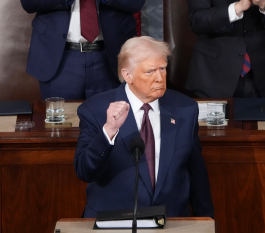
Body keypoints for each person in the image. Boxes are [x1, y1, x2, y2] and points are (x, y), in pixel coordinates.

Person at [74, 36, 214, 218]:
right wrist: (108, 130)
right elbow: (85, 171)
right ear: (127, 75)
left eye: (162, 69)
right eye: (150, 72)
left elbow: (196, 171)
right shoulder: (95, 110)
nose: (159, 78)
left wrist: (205, 220)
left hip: (171, 221)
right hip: (113, 221)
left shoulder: (185, 108)